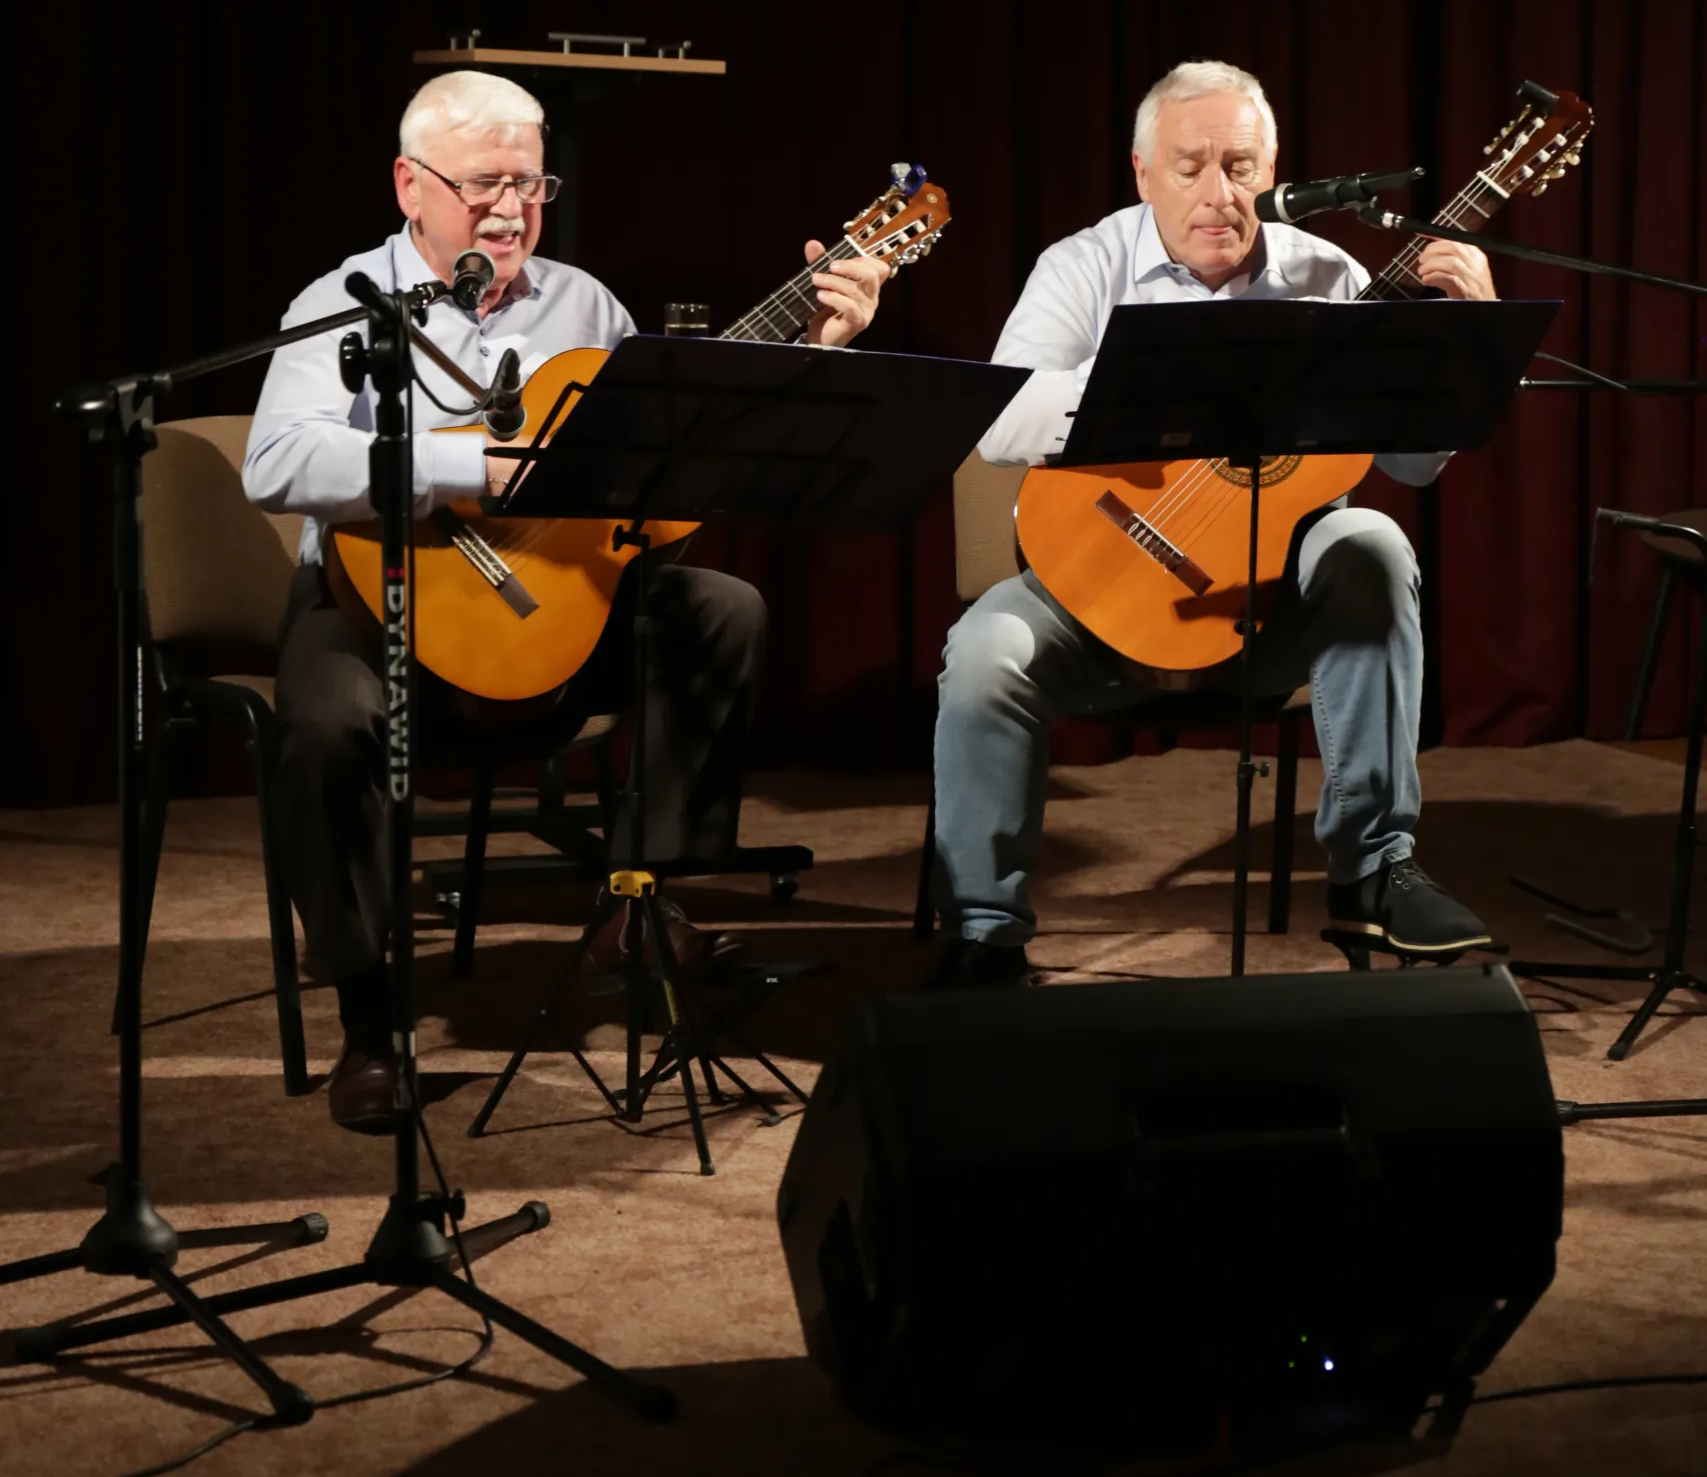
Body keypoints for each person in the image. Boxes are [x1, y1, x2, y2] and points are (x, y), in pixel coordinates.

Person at [245, 69, 887, 1127]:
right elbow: (275, 460)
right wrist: (470, 468)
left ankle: (636, 901)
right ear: (410, 185)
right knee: (321, 730)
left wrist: (812, 356)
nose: (512, 209)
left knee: (720, 610)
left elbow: (676, 466)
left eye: (531, 184)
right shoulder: (344, 301)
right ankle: (369, 1015)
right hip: (376, 602)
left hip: (552, 606)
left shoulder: (586, 307)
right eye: (484, 184)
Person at [930, 56, 1496, 988]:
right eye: (1188, 167)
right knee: (984, 654)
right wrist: (1161, 392)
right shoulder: (1082, 266)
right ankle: (985, 931)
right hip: (1099, 595)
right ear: (1142, 173)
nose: (1217, 194)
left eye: (1239, 168)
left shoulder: (1330, 277)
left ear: (1271, 172)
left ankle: (1373, 872)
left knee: (1370, 540)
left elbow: (1412, 465)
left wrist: (1461, 348)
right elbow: (999, 423)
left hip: (1273, 610)